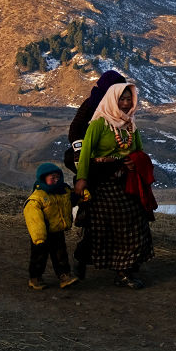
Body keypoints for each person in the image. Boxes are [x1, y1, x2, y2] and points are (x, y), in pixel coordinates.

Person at [73, 82, 154, 289]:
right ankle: (119, 268)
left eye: (129, 99)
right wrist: (82, 178)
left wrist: (133, 161)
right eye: (122, 99)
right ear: (112, 100)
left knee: (137, 219)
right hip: (103, 181)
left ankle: (125, 268)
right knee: (116, 222)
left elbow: (139, 150)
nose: (126, 104)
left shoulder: (130, 125)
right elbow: (86, 152)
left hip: (126, 180)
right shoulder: (99, 124)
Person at [64, 70, 127, 279]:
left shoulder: (121, 107)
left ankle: (124, 267)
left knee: (126, 215)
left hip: (113, 162)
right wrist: (83, 151)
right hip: (91, 161)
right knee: (99, 218)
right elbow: (75, 130)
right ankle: (82, 257)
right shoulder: (91, 104)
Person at [23, 163, 80, 290]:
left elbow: (71, 200)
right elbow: (34, 218)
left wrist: (81, 195)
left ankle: (65, 276)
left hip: (57, 231)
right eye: (52, 177)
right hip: (42, 235)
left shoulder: (63, 191)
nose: (56, 180)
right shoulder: (37, 198)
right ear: (43, 178)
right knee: (39, 258)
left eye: (58, 177)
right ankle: (35, 278)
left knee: (61, 255)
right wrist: (39, 238)